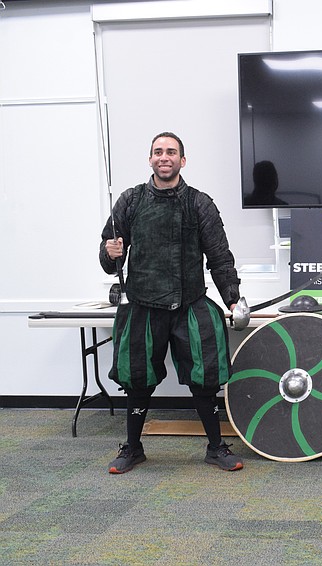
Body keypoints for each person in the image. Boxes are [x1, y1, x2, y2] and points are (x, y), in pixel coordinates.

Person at [99, 132, 244, 474]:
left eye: (171, 152)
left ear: (182, 160)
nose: (164, 157)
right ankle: (133, 448)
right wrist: (110, 253)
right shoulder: (129, 201)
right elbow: (109, 258)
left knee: (205, 380)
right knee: (137, 380)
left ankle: (215, 447)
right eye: (158, 152)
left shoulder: (199, 203)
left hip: (190, 305)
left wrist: (233, 299)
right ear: (150, 159)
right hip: (142, 306)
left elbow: (220, 257)